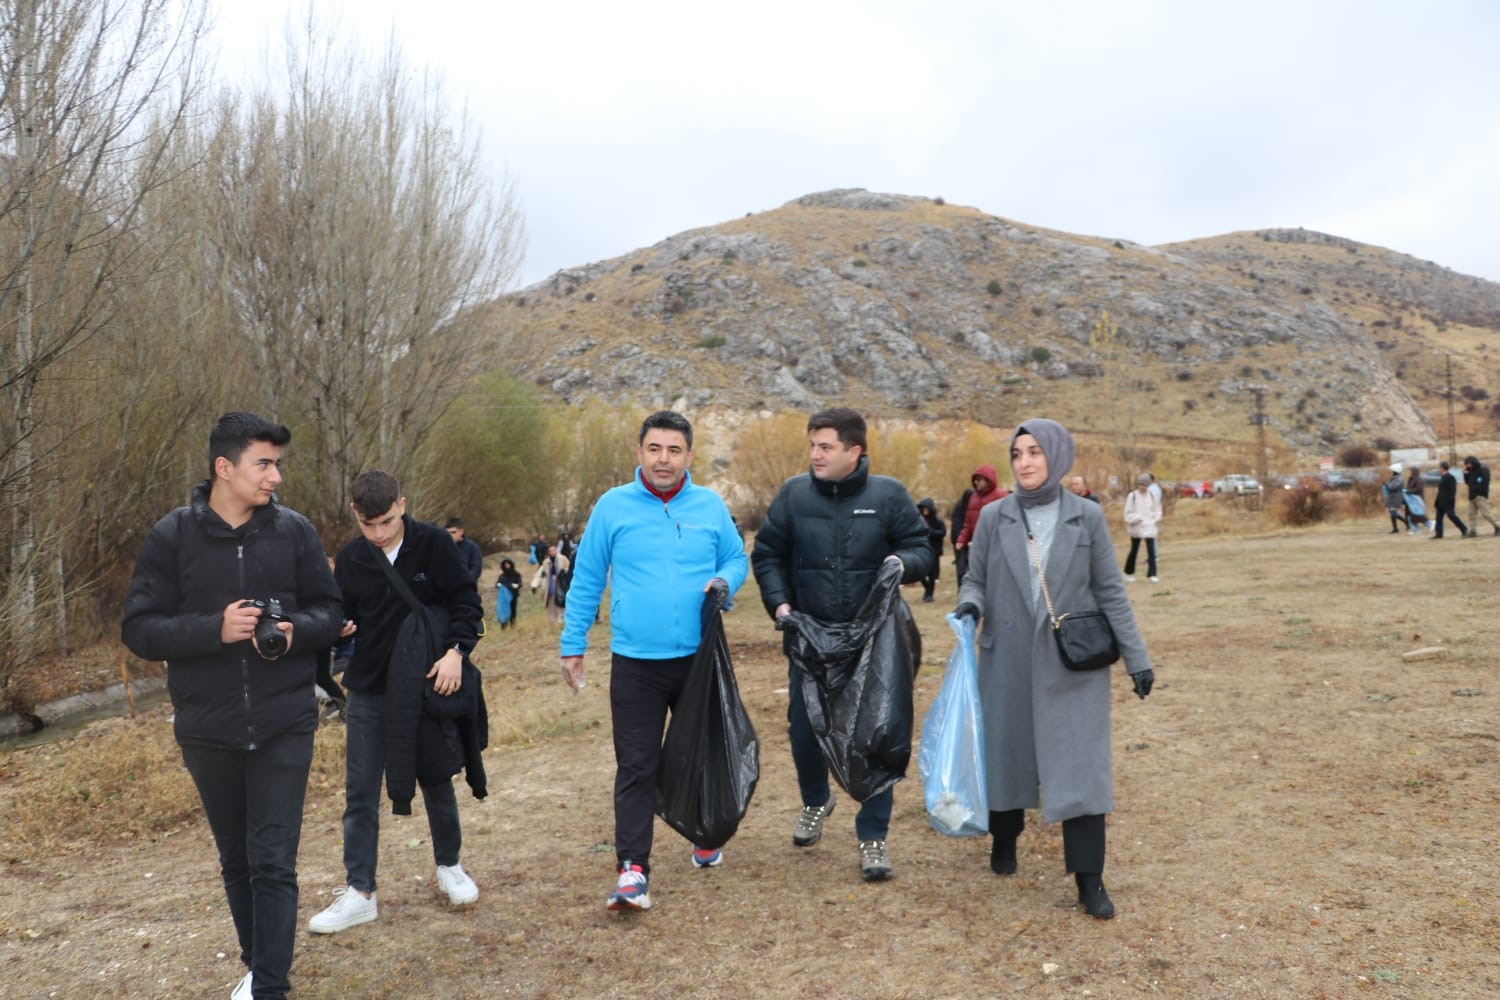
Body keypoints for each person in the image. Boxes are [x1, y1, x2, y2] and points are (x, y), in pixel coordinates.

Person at [122, 412, 343, 1000]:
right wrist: (213, 630)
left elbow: (331, 612)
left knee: (273, 861)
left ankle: (270, 986)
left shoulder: (294, 531)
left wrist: (298, 629)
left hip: (284, 721)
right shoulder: (172, 536)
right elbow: (140, 630)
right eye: (263, 464)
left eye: (278, 464)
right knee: (237, 859)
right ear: (225, 467)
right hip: (206, 725)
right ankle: (257, 963)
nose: (275, 477)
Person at [953, 418, 1154, 921]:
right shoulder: (994, 516)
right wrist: (969, 607)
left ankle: (1090, 881)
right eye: (1017, 453)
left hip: (1073, 663)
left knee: (1081, 769)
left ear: (1058, 456)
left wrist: (1137, 658)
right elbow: (973, 581)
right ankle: (1004, 840)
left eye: (1035, 452)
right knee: (1009, 757)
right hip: (1008, 659)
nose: (1024, 462)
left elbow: (1110, 589)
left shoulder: (1084, 516)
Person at [558, 410, 748, 911]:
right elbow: (587, 579)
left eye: (674, 450)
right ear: (639, 452)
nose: (664, 459)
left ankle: (703, 834)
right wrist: (573, 644)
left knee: (696, 756)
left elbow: (736, 557)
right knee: (637, 766)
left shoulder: (709, 505)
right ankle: (632, 871)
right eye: (655, 449)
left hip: (698, 660)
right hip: (636, 664)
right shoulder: (612, 507)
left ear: (689, 456)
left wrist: (725, 584)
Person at [751, 407, 933, 882]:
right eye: (812, 445)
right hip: (809, 635)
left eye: (825, 446)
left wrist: (903, 562)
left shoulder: (888, 495)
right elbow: (768, 552)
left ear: (854, 451)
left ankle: (873, 836)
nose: (815, 454)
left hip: (873, 638)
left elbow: (923, 548)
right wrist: (780, 605)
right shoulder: (793, 495)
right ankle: (816, 799)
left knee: (875, 732)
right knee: (804, 728)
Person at [308, 470, 486, 935]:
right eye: (369, 525)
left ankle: (450, 866)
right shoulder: (350, 557)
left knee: (436, 778)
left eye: (387, 521)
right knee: (360, 792)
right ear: (355, 515)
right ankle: (360, 891)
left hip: (428, 682)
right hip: (369, 686)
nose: (380, 532)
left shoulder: (434, 545)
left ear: (402, 505)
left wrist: (456, 653)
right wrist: (338, 626)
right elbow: (341, 611)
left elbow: (468, 605)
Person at [953, 465, 1008, 556]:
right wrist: (961, 539)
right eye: (975, 479)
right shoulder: (973, 498)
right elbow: (968, 523)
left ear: (988, 480)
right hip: (977, 544)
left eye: (978, 479)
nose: (975, 482)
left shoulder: (1002, 496)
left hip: (997, 546)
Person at [1122, 474, 1162, 583]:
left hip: (1150, 527)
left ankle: (1152, 574)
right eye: (1140, 484)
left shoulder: (1152, 496)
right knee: (1134, 550)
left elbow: (1157, 509)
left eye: (1144, 485)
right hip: (1137, 527)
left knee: (1151, 551)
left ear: (1148, 485)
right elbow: (1127, 512)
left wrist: (1155, 518)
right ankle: (1128, 572)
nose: (1142, 487)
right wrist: (1136, 518)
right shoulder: (1132, 496)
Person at [530, 544, 571, 623]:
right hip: (550, 584)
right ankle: (552, 620)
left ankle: (562, 618)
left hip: (561, 583)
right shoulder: (546, 562)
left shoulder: (562, 559)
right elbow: (539, 574)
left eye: (553, 550)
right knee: (551, 602)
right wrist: (534, 585)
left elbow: (569, 569)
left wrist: (564, 574)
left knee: (561, 599)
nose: (552, 552)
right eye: (550, 551)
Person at [1461, 456, 1500, 536]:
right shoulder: (1471, 471)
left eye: (1468, 464)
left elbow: (1485, 481)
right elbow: (1467, 482)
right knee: (1471, 514)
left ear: (1472, 462)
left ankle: (1497, 526)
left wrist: (1479, 491)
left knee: (1486, 513)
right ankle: (1473, 531)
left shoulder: (1483, 469)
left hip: (1480, 496)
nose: (1467, 466)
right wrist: (1465, 474)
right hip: (1472, 496)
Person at [916, 498, 946, 603]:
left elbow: (942, 533)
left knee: (932, 573)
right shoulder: (918, 520)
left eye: (926, 508)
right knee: (920, 572)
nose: (925, 511)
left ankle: (929, 594)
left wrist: (930, 532)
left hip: (934, 549)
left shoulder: (937, 521)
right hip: (921, 549)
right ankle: (927, 588)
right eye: (923, 509)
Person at [1433, 462, 1467, 540]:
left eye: (1440, 468)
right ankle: (1439, 534)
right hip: (1440, 502)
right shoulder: (1442, 477)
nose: (1439, 469)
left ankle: (1464, 529)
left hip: (1447, 502)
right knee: (1438, 518)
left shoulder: (1450, 477)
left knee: (1452, 516)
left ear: (1442, 468)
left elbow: (1453, 490)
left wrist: (1450, 500)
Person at [444, 517, 484, 584]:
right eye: (447, 533)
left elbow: (476, 568)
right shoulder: (441, 546)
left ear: (461, 531)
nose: (450, 535)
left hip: (465, 587)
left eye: (453, 532)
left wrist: (464, 582)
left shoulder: (472, 547)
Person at [949, 487, 975, 585]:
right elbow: (957, 526)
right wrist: (963, 539)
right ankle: (961, 588)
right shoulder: (958, 508)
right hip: (959, 541)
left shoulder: (973, 507)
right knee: (961, 567)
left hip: (969, 541)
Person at [1403, 468, 1433, 535]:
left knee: (1417, 514)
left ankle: (1430, 523)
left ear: (1414, 472)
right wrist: (1406, 490)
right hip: (1411, 500)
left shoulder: (1419, 480)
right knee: (1410, 514)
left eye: (1410, 471)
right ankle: (1415, 529)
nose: (1409, 473)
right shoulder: (1411, 479)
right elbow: (1409, 488)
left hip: (1417, 500)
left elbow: (1418, 489)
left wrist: (1408, 491)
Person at [1382, 464, 1409, 534]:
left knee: (1393, 513)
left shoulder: (1399, 479)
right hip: (1392, 497)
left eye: (1393, 470)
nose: (1392, 472)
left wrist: (1386, 485)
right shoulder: (1395, 478)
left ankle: (1404, 524)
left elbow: (1393, 487)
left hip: (1396, 497)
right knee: (1392, 513)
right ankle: (1396, 528)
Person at [496, 557, 523, 628]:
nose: (507, 565)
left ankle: (513, 625)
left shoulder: (516, 574)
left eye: (508, 564)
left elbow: (520, 583)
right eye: (505, 564)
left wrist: (517, 585)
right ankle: (504, 626)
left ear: (511, 564)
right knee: (504, 610)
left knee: (513, 610)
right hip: (504, 598)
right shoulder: (502, 576)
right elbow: (497, 584)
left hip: (513, 595)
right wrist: (498, 585)